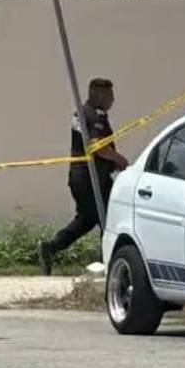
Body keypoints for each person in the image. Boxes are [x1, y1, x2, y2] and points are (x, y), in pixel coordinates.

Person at [39, 78, 129, 274]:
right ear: (98, 94)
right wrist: (121, 160)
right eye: (109, 95)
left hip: (89, 176)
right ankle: (110, 262)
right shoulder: (91, 115)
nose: (112, 99)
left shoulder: (87, 113)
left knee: (88, 219)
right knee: (109, 217)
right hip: (91, 178)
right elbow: (98, 147)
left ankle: (52, 247)